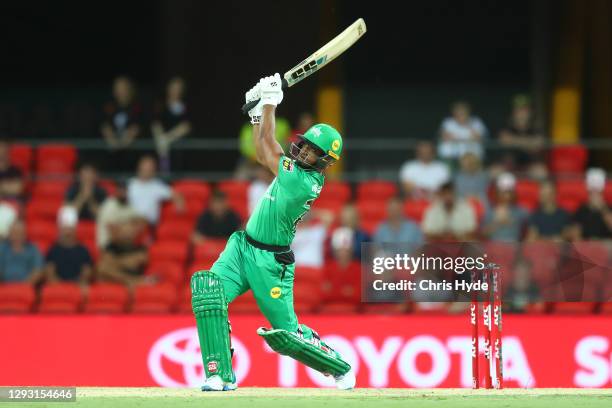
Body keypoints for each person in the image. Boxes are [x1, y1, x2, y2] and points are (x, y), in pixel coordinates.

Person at [191, 74, 355, 392]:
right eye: (305, 145)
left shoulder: (303, 182)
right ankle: (219, 373)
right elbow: (264, 150)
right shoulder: (295, 169)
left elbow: (267, 150)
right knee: (207, 292)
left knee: (286, 337)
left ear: (324, 161)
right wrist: (259, 112)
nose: (304, 151)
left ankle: (339, 368)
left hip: (271, 264)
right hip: (243, 247)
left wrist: (269, 103)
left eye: (312, 151)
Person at [497, 95, 546, 178]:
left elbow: (537, 145)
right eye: (518, 110)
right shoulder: (507, 125)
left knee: (541, 172)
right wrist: (528, 143)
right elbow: (504, 140)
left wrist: (514, 141)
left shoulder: (535, 126)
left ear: (530, 112)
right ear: (513, 112)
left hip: (530, 164)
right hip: (510, 163)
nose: (522, 113)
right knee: (495, 172)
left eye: (524, 110)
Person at [151, 77, 192, 174]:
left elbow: (186, 126)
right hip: (161, 144)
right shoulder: (160, 105)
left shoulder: (186, 106)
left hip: (178, 143)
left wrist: (167, 139)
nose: (175, 91)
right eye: (173, 88)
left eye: (178, 88)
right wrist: (161, 139)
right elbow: (155, 123)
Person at [127, 156, 184, 225]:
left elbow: (176, 195)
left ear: (154, 170)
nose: (147, 169)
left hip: (148, 223)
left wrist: (179, 204)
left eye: (150, 167)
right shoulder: (131, 183)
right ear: (139, 167)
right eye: (145, 166)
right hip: (130, 219)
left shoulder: (157, 186)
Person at [44, 206, 93, 285]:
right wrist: (63, 288)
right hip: (59, 289)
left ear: (75, 230)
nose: (68, 232)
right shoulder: (53, 250)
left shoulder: (83, 250)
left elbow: (86, 273)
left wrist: (74, 288)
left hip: (77, 289)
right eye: (65, 229)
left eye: (70, 229)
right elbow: (50, 274)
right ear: (60, 230)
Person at [97, 218, 149, 288]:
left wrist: (115, 262)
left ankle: (131, 281)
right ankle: (131, 280)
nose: (127, 232)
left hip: (129, 273)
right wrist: (126, 261)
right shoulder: (111, 246)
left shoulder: (140, 246)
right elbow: (105, 262)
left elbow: (136, 262)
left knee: (104, 269)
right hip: (117, 276)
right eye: (123, 228)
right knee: (101, 269)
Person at [483, 173, 528, 241]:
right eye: (503, 192)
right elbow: (483, 233)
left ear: (513, 193)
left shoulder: (521, 211)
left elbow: (530, 228)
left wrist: (512, 222)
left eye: (509, 192)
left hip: (514, 248)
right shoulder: (490, 211)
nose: (506, 195)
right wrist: (498, 223)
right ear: (497, 193)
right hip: (495, 248)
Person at [96, 180, 142, 249]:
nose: (122, 193)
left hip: (126, 243)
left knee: (143, 255)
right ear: (116, 191)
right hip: (109, 244)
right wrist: (127, 228)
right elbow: (113, 232)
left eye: (124, 190)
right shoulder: (109, 204)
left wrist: (129, 229)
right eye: (120, 190)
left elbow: (141, 222)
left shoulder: (129, 205)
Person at [100, 76, 142, 150]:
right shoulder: (109, 107)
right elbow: (105, 126)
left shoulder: (137, 107)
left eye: (123, 88)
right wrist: (112, 140)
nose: (120, 91)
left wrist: (124, 142)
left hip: (132, 150)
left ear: (129, 89)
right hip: (112, 150)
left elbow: (136, 128)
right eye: (117, 88)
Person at [322, 227, 361, 305]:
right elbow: (323, 295)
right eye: (340, 250)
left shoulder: (358, 268)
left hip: (354, 311)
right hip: (330, 310)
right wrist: (346, 291)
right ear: (335, 251)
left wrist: (333, 289)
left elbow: (358, 296)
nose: (343, 253)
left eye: (345, 250)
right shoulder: (328, 268)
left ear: (351, 250)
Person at [571, 168, 612, 240]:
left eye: (597, 192)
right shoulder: (582, 210)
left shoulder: (608, 208)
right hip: (587, 247)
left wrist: (602, 208)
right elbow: (575, 234)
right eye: (592, 192)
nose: (594, 195)